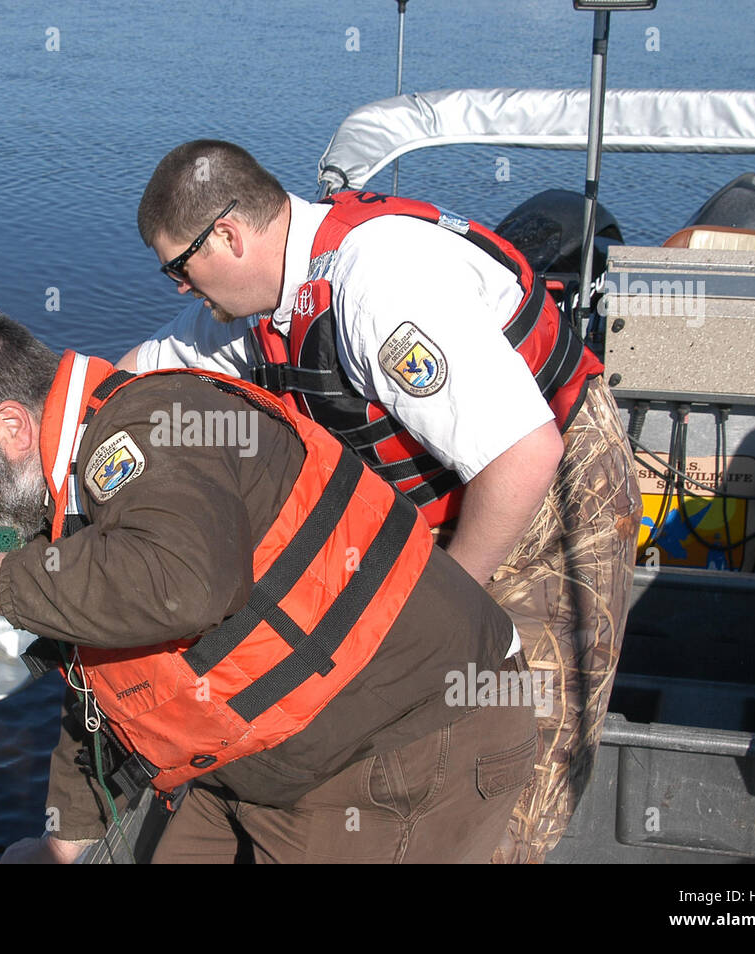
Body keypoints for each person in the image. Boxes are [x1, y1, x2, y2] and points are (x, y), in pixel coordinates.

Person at [117, 140, 642, 863]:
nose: (177, 288)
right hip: (455, 487)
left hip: (552, 489)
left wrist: (442, 609)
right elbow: (142, 378)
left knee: (511, 758)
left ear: (229, 237)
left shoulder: (375, 284)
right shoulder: (262, 301)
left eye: (179, 268)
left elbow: (526, 456)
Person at [0, 305, 537, 863]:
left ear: (11, 426)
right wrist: (62, 842)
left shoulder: (147, 424)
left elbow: (183, 585)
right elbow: (99, 677)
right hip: (268, 757)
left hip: (403, 741)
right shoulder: (71, 498)